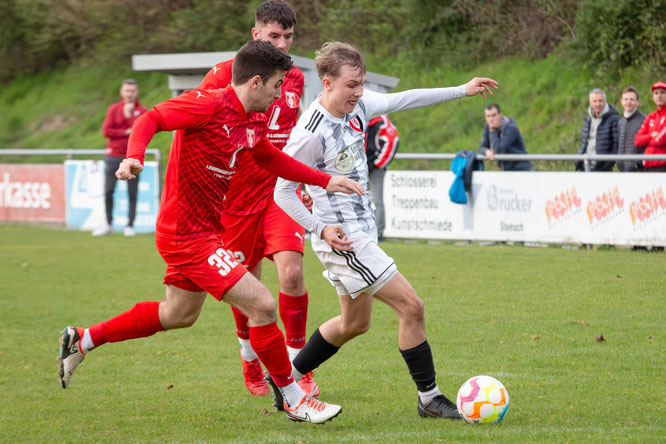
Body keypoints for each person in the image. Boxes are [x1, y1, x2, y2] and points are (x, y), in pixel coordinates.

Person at [57, 40, 365, 424]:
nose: (280, 94)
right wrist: (134, 157)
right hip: (185, 234)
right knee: (263, 304)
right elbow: (149, 119)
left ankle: (82, 339)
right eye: (275, 86)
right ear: (255, 82)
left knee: (178, 313)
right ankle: (292, 397)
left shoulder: (253, 117)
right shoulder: (207, 104)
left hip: (207, 231)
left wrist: (324, 180)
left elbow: (268, 157)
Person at [273, 41, 498, 419]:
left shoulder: (358, 106)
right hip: (344, 240)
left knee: (354, 323)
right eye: (351, 85)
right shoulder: (309, 132)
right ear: (327, 83)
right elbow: (283, 192)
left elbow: (404, 99)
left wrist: (462, 89)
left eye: (361, 83)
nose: (359, 92)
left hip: (362, 232)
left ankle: (286, 381)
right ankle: (429, 399)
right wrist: (322, 228)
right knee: (412, 307)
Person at [197, 0, 317, 397]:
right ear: (255, 35)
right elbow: (197, 123)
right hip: (235, 198)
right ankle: (250, 357)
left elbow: (293, 136)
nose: (282, 44)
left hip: (279, 192)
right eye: (273, 36)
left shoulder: (296, 77)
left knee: (293, 273)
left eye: (288, 37)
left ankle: (299, 365)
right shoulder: (223, 76)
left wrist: (306, 184)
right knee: (247, 284)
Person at [95, 79, 148, 237]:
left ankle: (130, 225)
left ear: (136, 92)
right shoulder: (113, 109)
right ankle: (108, 224)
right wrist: (125, 131)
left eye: (132, 91)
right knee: (108, 190)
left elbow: (141, 132)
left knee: (132, 192)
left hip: (132, 157)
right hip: (113, 155)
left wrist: (129, 116)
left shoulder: (143, 111)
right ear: (122, 92)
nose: (129, 94)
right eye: (127, 90)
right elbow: (106, 131)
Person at [365, 115, 399, 241]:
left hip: (374, 167)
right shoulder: (363, 118)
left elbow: (392, 141)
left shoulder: (381, 121)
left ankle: (379, 232)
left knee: (376, 200)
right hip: (362, 165)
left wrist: (376, 163)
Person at [576, 88, 619, 172]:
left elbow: (616, 145)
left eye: (600, 101)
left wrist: (607, 165)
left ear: (605, 101)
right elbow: (584, 142)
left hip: (602, 167)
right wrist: (578, 161)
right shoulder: (587, 119)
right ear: (590, 102)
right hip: (585, 165)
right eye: (594, 101)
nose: (597, 104)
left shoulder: (613, 119)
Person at [478, 104, 530, 171]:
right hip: (505, 169)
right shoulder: (488, 127)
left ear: (500, 115)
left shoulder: (511, 128)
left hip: (521, 168)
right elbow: (481, 147)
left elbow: (498, 149)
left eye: (494, 115)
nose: (491, 119)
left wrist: (493, 131)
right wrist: (487, 151)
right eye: (488, 116)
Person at [635, 81, 666, 172]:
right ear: (653, 97)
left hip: (662, 166)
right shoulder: (651, 116)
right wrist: (650, 135)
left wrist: (647, 141)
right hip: (648, 165)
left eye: (662, 92)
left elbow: (659, 140)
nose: (659, 95)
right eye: (656, 93)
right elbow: (637, 140)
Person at [617, 86, 647, 172]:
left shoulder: (644, 120)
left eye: (631, 99)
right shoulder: (621, 122)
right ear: (621, 102)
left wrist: (638, 163)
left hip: (638, 171)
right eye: (626, 99)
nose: (628, 102)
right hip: (622, 170)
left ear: (637, 102)